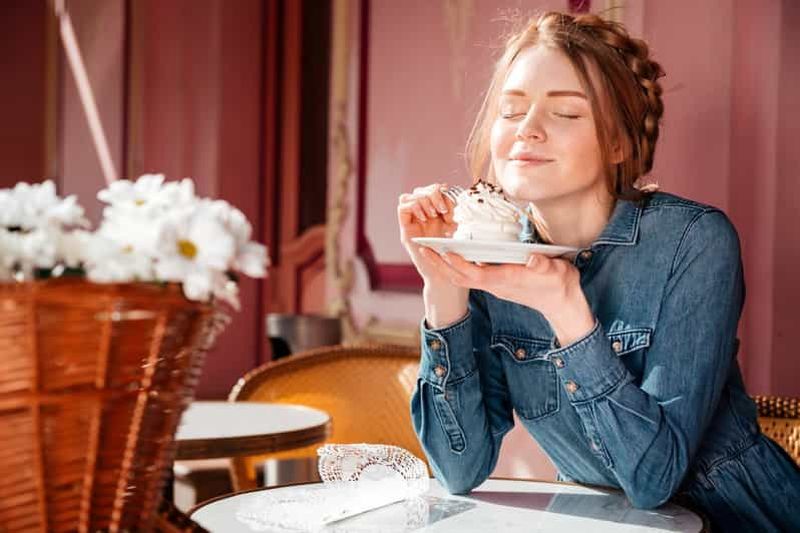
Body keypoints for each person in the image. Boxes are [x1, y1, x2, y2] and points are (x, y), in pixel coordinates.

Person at [397, 11, 800, 531]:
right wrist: (445, 286)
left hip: (744, 519)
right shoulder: (493, 258)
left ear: (618, 144)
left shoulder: (693, 242)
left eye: (565, 114)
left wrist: (567, 309)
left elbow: (654, 480)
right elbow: (457, 469)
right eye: (510, 110)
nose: (528, 131)